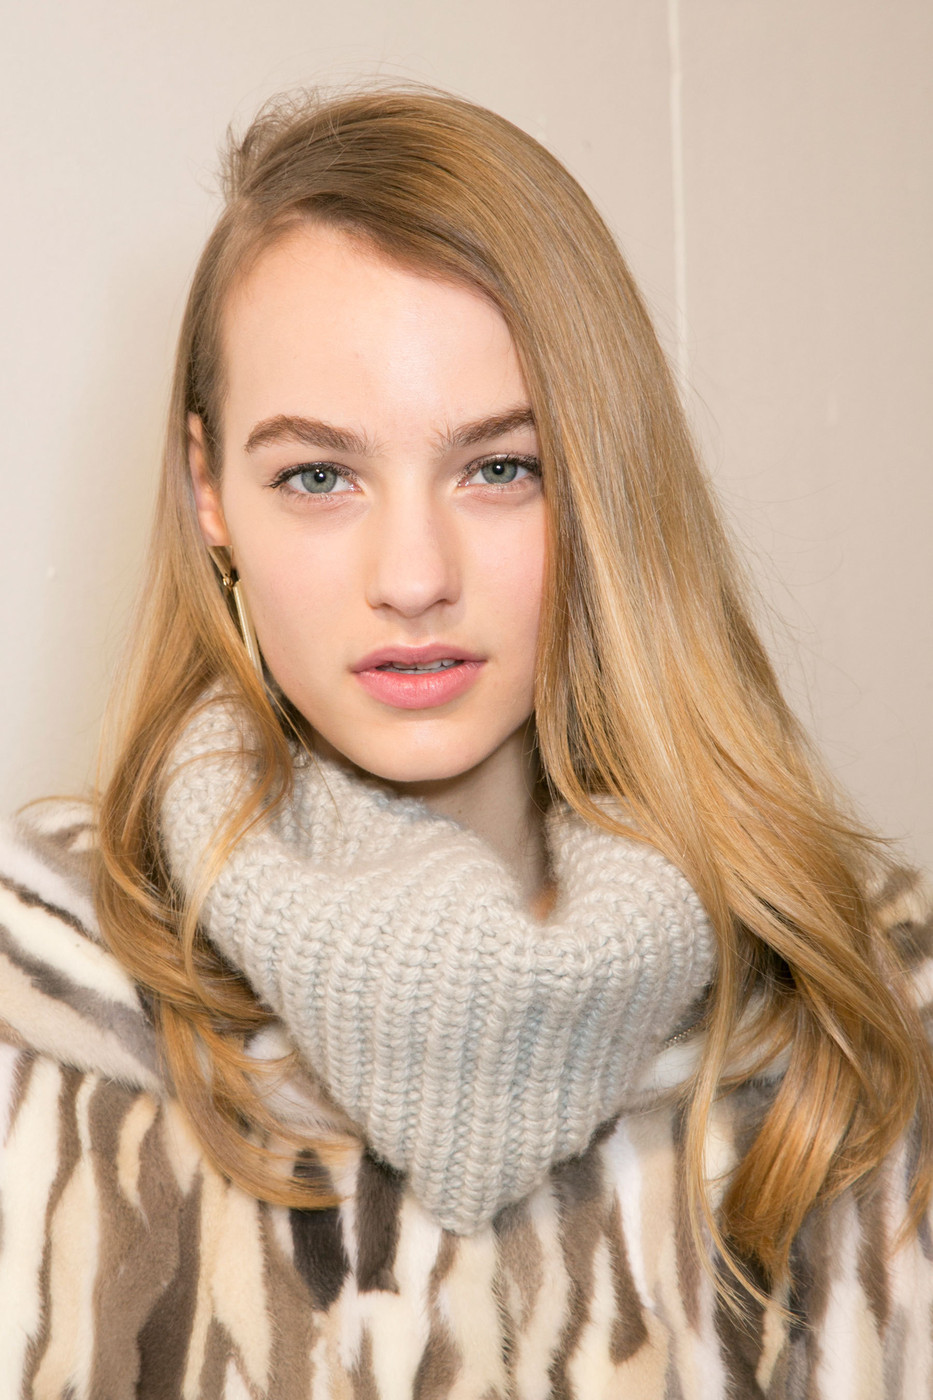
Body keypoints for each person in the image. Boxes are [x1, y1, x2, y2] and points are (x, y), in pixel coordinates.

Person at [0, 84, 931, 1398]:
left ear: (601, 478)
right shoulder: (41, 1000)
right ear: (209, 491)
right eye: (318, 475)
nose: (414, 576)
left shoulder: (864, 1005)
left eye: (500, 467)